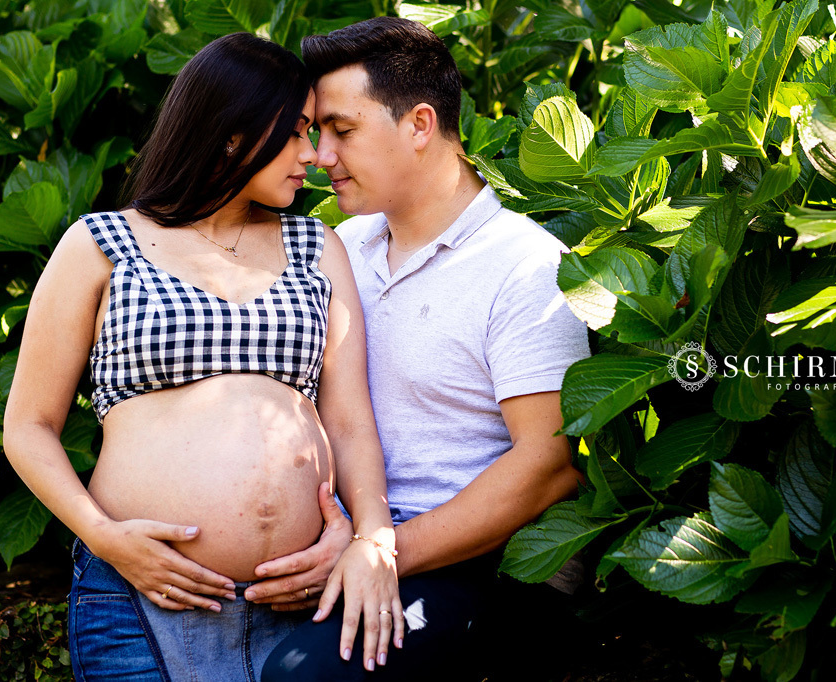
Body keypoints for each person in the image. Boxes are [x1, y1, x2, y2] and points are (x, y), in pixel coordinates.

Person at [3, 33, 402, 682]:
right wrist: (106, 539)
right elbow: (27, 426)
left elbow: (351, 420)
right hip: (140, 598)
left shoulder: (316, 246)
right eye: (297, 131)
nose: (313, 154)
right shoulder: (102, 244)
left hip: (303, 602)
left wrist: (363, 540)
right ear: (232, 132)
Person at [253, 17, 591, 681]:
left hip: (480, 566)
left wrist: (381, 551)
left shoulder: (524, 265)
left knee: (301, 675)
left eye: (342, 130)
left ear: (419, 125)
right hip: (352, 538)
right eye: (317, 132)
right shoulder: (342, 249)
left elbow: (548, 466)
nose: (321, 155)